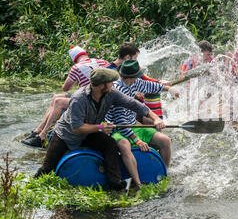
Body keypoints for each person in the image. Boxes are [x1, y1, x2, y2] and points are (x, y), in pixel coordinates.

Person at [33, 68, 166, 191]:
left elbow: (134, 105)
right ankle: (33, 187)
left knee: (110, 144)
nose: (113, 85)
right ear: (101, 85)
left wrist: (155, 118)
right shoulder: (79, 99)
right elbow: (77, 127)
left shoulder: (111, 93)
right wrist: (100, 127)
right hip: (66, 135)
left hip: (90, 133)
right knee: (47, 168)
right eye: (111, 83)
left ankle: (115, 183)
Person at [21, 46, 112, 147]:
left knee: (58, 102)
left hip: (93, 100)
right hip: (101, 96)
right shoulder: (102, 62)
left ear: (74, 60)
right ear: (85, 54)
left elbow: (65, 88)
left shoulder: (77, 67)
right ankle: (38, 130)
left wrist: (76, 80)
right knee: (56, 97)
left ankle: (43, 135)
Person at [105, 60, 172, 189]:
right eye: (137, 76)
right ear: (131, 77)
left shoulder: (134, 83)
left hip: (134, 124)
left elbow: (150, 86)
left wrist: (169, 89)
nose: (138, 79)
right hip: (117, 129)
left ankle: (162, 174)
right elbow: (121, 123)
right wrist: (137, 141)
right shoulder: (117, 90)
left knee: (165, 141)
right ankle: (138, 183)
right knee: (124, 146)